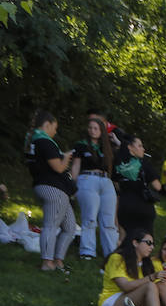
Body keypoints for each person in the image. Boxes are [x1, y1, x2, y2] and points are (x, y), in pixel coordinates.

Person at [25, 110, 77, 272]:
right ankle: (47, 262)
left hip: (50, 188)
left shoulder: (33, 142)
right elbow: (58, 167)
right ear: (47, 125)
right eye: (54, 127)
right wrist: (67, 157)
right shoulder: (44, 142)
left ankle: (58, 260)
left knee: (70, 227)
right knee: (51, 225)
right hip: (53, 189)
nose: (55, 131)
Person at [72, 115, 118, 261]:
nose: (93, 131)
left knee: (109, 220)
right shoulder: (81, 144)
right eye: (90, 128)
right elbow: (76, 165)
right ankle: (87, 251)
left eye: (96, 128)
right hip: (87, 179)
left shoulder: (107, 147)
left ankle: (111, 253)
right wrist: (72, 184)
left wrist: (117, 142)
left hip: (106, 181)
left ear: (101, 130)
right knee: (90, 218)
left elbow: (124, 154)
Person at [112, 135, 160, 240]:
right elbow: (157, 186)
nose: (143, 149)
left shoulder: (118, 165)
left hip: (125, 205)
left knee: (125, 237)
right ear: (130, 147)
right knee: (146, 238)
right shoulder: (144, 164)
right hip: (143, 206)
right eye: (140, 146)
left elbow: (116, 184)